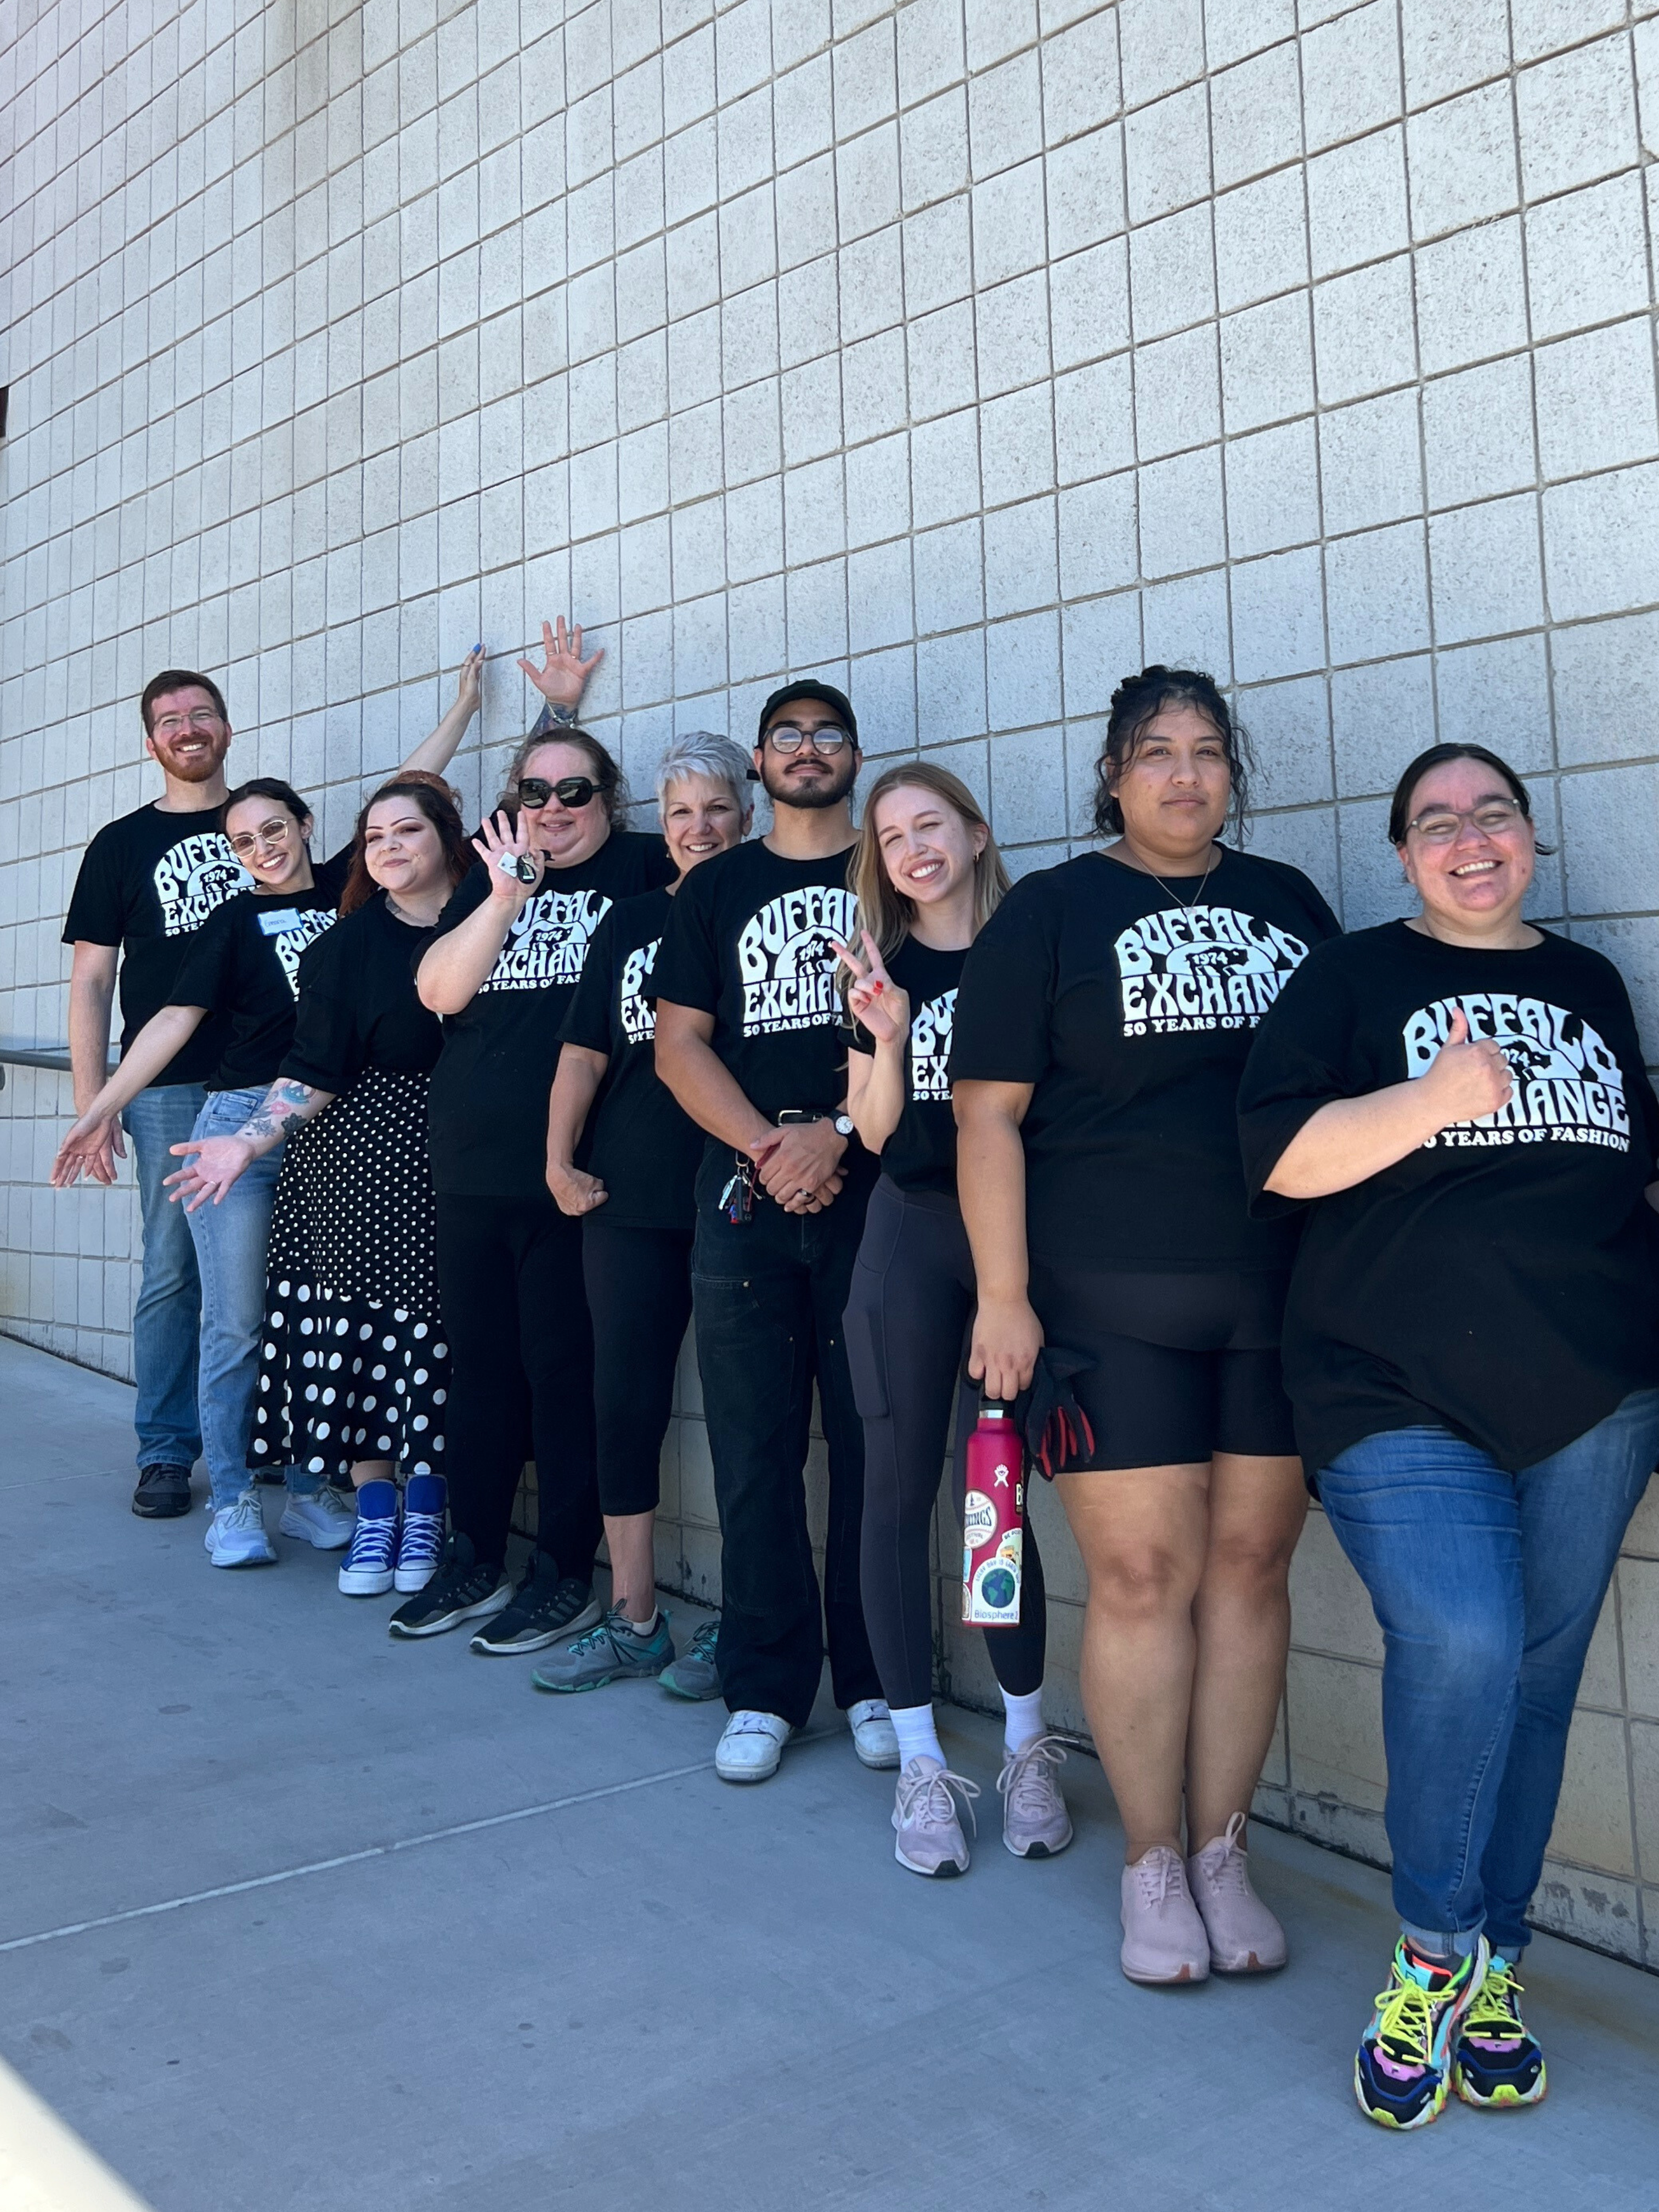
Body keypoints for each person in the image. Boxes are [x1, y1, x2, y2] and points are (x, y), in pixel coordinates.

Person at [1238, 742, 1659, 2129]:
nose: (1470, 839)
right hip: (1388, 1386)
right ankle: (1431, 1953)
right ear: (1403, 853)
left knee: (1538, 1683)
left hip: (1597, 1391)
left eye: (1494, 814)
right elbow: (1284, 1158)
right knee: (1467, 1641)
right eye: (1438, 823)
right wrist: (1426, 1103)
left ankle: (1504, 1959)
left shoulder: (1590, 983)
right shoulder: (1354, 976)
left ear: (1530, 836)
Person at [950, 665, 1340, 1982]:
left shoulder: (1289, 903)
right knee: (1138, 1580)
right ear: (1112, 772)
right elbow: (987, 1116)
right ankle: (1151, 1861)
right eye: (1156, 752)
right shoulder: (1054, 912)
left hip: (1276, 1297)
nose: (1186, 774)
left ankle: (1224, 1851)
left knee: (1250, 1574)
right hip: (1108, 1302)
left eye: (1209, 751)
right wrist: (1003, 1297)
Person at [59, 657, 483, 1519]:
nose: (261, 847)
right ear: (151, 742)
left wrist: (468, 704)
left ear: (303, 823)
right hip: (214, 1101)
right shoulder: (197, 897)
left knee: (303, 1307)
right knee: (210, 1297)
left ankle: (314, 1482)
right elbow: (152, 1010)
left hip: (332, 1118)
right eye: (244, 841)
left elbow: (408, 786)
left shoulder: (347, 890)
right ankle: (193, 1470)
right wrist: (96, 1105)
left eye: (273, 831)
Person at [654, 680, 897, 1784]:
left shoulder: (889, 870)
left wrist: (838, 1133)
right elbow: (677, 1046)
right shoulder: (718, 888)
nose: (808, 750)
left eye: (827, 734)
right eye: (788, 736)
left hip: (879, 1204)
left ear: (854, 754)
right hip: (744, 1202)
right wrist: (771, 1146)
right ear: (759, 763)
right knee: (753, 1454)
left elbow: (931, 1023)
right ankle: (765, 1685)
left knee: (872, 1456)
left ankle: (875, 1678)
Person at [836, 762, 1075, 1877]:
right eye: (891, 837)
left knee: (997, 1495)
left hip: (1011, 1249)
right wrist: (887, 1035)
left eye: (931, 824)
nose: (914, 848)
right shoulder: (885, 966)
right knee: (893, 1494)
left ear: (977, 835)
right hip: (910, 1239)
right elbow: (876, 1134)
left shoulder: (1037, 948)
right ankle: (924, 1763)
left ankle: (1029, 1743)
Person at [390, 719, 675, 1649]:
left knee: (564, 1381)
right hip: (472, 1167)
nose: (553, 809)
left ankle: (564, 1572)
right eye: (535, 793)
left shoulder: (640, 868)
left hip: (582, 1180)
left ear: (610, 801)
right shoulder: (494, 879)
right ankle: (473, 1558)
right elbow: (438, 991)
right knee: (480, 1377)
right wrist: (506, 897)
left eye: (575, 791)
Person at [162, 775, 473, 1600]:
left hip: (464, 1159)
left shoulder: (494, 913)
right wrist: (244, 1142)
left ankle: (431, 1503)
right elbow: (313, 1069)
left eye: (407, 830)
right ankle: (376, 1507)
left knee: (440, 1343)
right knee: (364, 1344)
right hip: (358, 1164)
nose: (389, 848)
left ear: (447, 835)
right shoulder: (343, 944)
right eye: (374, 838)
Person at [531, 733, 754, 1695]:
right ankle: (634, 1619)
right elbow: (583, 1052)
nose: (698, 829)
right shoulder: (628, 921)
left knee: (756, 1420)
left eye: (715, 810)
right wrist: (557, 1161)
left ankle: (752, 1623)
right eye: (679, 814)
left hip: (745, 1193)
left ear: (746, 816)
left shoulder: (775, 914)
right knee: (621, 1402)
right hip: (625, 1198)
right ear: (659, 829)